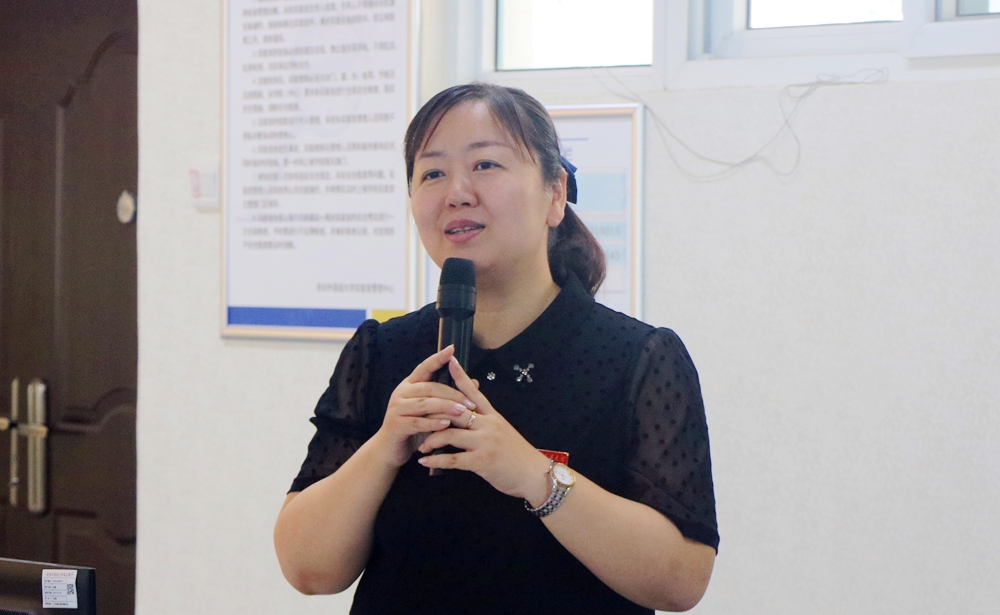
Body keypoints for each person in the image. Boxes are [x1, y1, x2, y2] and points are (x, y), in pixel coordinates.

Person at [274, 83, 719, 614]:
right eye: (432, 173)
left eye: (485, 164)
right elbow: (308, 570)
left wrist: (533, 475)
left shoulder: (636, 357)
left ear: (555, 193)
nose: (457, 192)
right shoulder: (382, 350)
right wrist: (386, 446)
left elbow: (681, 581)